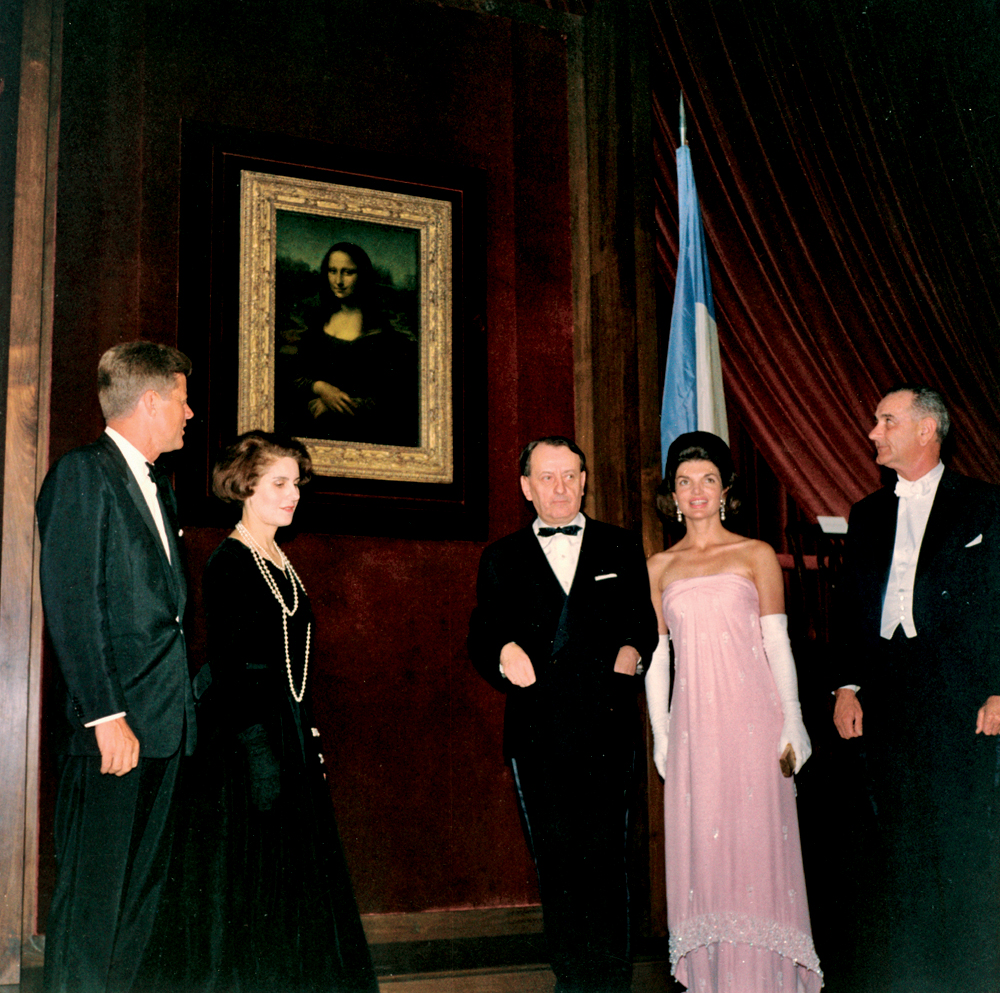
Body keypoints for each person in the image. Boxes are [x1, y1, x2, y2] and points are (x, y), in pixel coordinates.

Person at [170, 431, 378, 993]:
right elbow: (233, 667)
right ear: (245, 486)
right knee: (251, 879)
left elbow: (291, 662)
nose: (293, 496)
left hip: (282, 729)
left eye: (296, 485)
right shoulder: (230, 560)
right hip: (245, 738)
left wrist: (302, 728)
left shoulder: (280, 559)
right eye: (279, 484)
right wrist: (261, 751)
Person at [468, 436, 658, 993]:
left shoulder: (620, 547)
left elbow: (642, 624)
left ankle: (611, 981)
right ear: (526, 487)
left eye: (570, 475)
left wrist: (633, 652)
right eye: (547, 477)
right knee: (557, 863)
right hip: (538, 734)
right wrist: (503, 654)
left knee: (608, 862)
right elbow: (484, 633)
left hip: (606, 728)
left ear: (584, 480)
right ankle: (572, 980)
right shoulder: (501, 557)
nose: (560, 487)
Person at [35, 341, 196, 993]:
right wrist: (107, 716)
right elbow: (75, 604)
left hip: (163, 729)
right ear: (152, 400)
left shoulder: (160, 487)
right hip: (115, 732)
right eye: (184, 399)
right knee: (93, 911)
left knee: (138, 910)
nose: (191, 412)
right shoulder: (83, 473)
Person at [833, 385, 1000, 992]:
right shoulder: (867, 513)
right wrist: (846, 687)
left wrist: (998, 689)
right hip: (886, 695)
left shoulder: (984, 505)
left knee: (957, 839)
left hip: (959, 697)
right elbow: (851, 608)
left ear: (927, 430)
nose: (874, 432)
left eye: (886, 421)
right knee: (894, 843)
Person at [645, 431, 822, 993]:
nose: (697, 492)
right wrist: (662, 735)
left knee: (754, 854)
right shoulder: (657, 567)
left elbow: (777, 644)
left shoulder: (755, 554)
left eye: (708, 481)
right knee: (707, 858)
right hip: (695, 730)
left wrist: (793, 719)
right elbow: (656, 660)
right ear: (672, 495)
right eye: (685, 482)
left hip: (753, 725)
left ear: (725, 491)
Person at [286, 241, 418, 446]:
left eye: (347, 272)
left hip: (362, 434)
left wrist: (335, 406)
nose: (338, 281)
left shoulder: (381, 332)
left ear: (362, 275)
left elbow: (390, 398)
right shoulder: (318, 322)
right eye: (332, 271)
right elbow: (296, 376)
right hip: (312, 428)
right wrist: (321, 388)